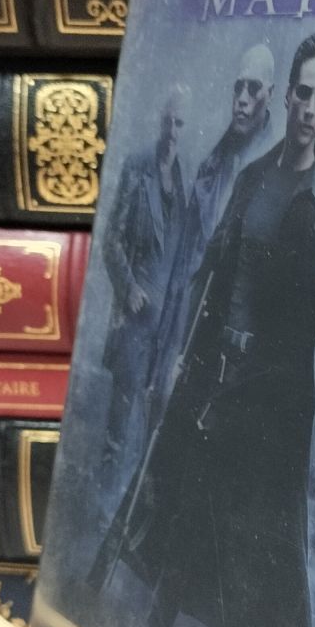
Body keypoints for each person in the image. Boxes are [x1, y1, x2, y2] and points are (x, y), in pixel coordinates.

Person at [110, 35, 315, 627]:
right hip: (217, 390)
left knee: (271, 573)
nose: (309, 107)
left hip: (276, 417)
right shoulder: (252, 180)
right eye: (301, 92)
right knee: (184, 535)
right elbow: (212, 284)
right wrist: (181, 360)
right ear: (286, 96)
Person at [146, 44, 275, 420]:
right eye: (238, 88)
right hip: (186, 328)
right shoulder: (212, 166)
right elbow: (182, 269)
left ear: (270, 94)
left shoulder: (277, 173)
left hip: (230, 347)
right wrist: (165, 346)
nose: (243, 99)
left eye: (253, 89)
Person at [98, 84, 189, 514]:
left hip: (163, 326)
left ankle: (130, 516)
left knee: (152, 424)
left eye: (180, 124)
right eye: (167, 121)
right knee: (120, 422)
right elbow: (110, 239)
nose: (172, 131)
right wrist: (129, 287)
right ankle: (103, 508)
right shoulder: (138, 168)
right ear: (159, 122)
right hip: (134, 319)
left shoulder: (184, 182)